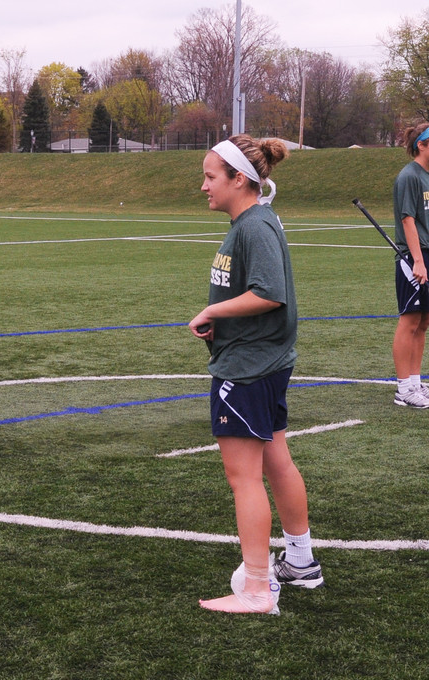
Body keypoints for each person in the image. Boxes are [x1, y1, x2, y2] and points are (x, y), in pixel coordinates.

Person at [188, 135, 323, 614]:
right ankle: (301, 563)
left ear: (238, 178)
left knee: (243, 477)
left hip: (248, 369)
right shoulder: (250, 223)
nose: (203, 186)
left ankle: (257, 590)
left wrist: (213, 309)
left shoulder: (254, 226)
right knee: (274, 460)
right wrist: (219, 322)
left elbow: (269, 292)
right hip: (256, 360)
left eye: (210, 177)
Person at [390, 122, 429, 408]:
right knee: (410, 319)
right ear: (422, 145)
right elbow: (408, 219)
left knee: (424, 321)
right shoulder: (409, 176)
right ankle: (403, 389)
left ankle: (415, 383)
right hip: (414, 255)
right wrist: (417, 260)